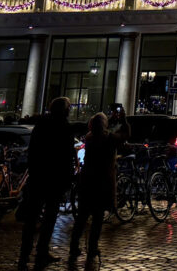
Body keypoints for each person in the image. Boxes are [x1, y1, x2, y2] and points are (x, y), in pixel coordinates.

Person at [19, 97, 74, 271]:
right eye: (69, 108)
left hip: (38, 178)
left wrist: (34, 172)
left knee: (32, 219)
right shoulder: (64, 127)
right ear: (64, 110)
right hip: (54, 180)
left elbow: (33, 152)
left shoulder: (41, 126)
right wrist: (67, 178)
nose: (70, 110)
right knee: (48, 218)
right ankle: (41, 251)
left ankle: (25, 254)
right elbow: (66, 157)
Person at [69, 113, 121, 270]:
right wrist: (122, 120)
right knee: (97, 218)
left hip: (88, 181)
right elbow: (124, 136)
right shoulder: (108, 138)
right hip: (102, 182)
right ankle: (92, 247)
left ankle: (74, 245)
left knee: (82, 216)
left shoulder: (89, 137)